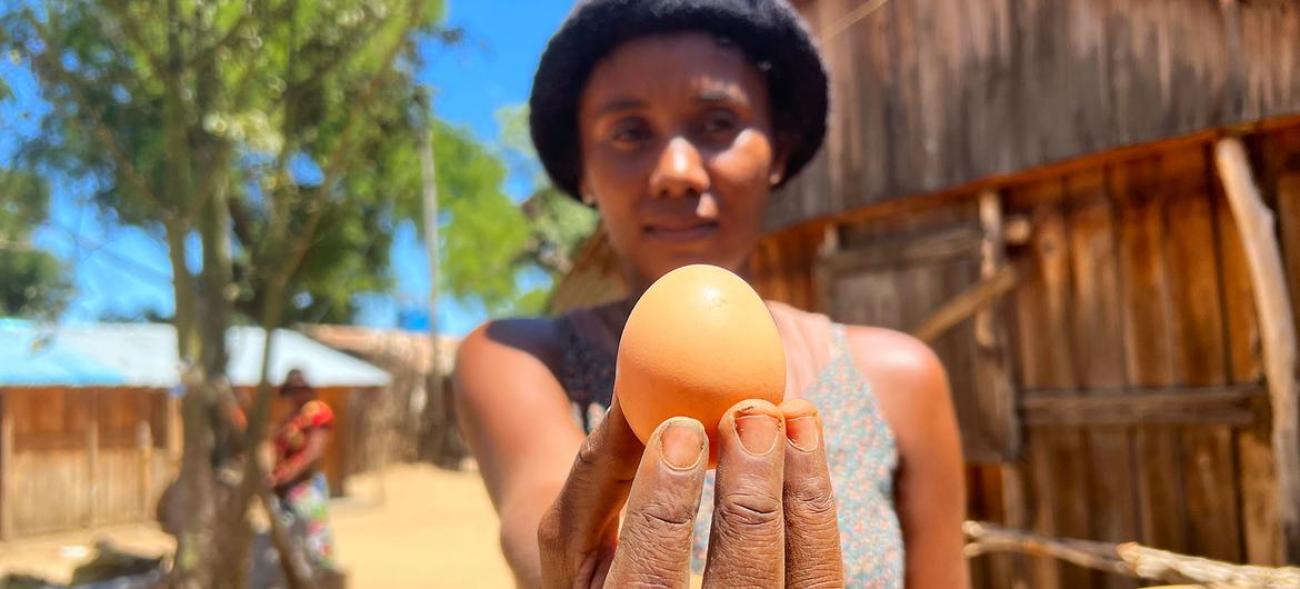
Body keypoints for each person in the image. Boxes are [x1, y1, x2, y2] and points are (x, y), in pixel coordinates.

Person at [454, 1, 969, 586]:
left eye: (718, 123)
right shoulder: (520, 360)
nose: (678, 170)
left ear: (777, 150)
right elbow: (538, 515)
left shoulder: (902, 377)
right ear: (582, 174)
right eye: (628, 132)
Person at [268, 368, 338, 572]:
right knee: (292, 543)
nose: (294, 396)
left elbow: (313, 452)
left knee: (316, 540)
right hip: (285, 489)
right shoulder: (291, 419)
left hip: (306, 485)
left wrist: (286, 474)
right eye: (291, 391)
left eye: (298, 390)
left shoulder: (316, 413)